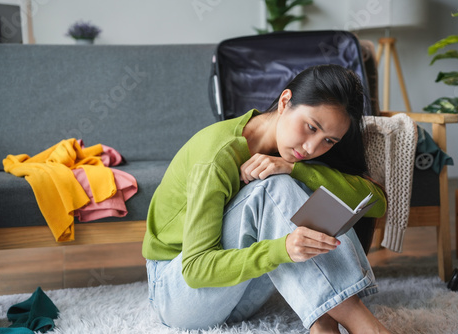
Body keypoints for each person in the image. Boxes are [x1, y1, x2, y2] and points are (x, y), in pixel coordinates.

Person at [142, 64, 391, 334]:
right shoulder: (216, 157)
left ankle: (324, 320)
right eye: (310, 127)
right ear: (285, 102)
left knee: (304, 187)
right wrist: (282, 249)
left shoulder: (297, 158)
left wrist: (297, 169)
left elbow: (375, 202)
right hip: (180, 297)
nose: (312, 148)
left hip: (242, 297)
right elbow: (195, 270)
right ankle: (363, 326)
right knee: (272, 187)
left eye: (329, 141)